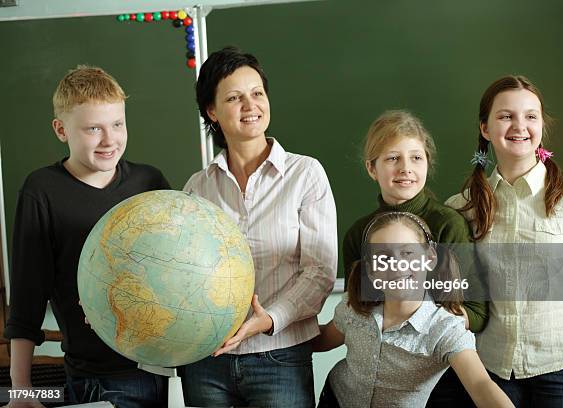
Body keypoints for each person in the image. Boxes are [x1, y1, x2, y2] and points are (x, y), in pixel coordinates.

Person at [4, 65, 170, 408]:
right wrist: (21, 389)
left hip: (166, 369)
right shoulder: (42, 191)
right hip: (97, 378)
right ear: (61, 130)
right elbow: (27, 297)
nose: (110, 140)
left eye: (117, 124)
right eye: (94, 128)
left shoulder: (149, 183)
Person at [181, 47, 337, 407]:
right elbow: (185, 275)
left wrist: (269, 319)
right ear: (212, 112)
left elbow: (320, 272)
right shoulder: (196, 188)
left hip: (280, 355)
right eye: (234, 98)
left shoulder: (305, 175)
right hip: (208, 360)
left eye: (257, 93)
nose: (250, 106)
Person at [446, 75, 563, 407]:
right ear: (485, 129)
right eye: (506, 116)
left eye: (530, 116)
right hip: (490, 371)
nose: (519, 125)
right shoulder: (463, 207)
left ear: (540, 127)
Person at [341, 110, 488, 405]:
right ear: (372, 168)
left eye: (416, 158)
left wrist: (420, 322)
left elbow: (476, 311)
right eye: (393, 158)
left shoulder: (448, 223)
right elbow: (357, 306)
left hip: (439, 376)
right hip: (372, 379)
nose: (406, 168)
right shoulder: (359, 234)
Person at [313, 212, 513, 407]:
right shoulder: (355, 308)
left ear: (430, 258)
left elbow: (481, 385)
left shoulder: (444, 329)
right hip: (335, 399)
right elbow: (323, 340)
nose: (396, 264)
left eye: (407, 253)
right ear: (371, 271)